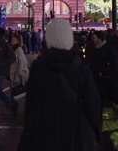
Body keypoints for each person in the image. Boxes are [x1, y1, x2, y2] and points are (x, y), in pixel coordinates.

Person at [18, 18, 101, 151]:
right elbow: (92, 103)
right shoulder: (80, 67)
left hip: (43, 127)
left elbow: (31, 102)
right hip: (74, 130)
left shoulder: (38, 66)